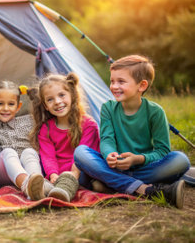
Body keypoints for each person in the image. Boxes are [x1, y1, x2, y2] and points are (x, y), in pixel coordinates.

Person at [74, 55, 190, 208]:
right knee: (80, 152)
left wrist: (138, 159)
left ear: (141, 86)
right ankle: (144, 189)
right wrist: (109, 154)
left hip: (144, 168)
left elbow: (162, 151)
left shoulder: (155, 112)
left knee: (181, 160)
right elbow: (107, 139)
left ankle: (112, 184)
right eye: (112, 81)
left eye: (121, 81)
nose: (114, 86)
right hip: (114, 167)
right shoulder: (108, 108)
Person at [29, 72, 100, 202]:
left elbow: (86, 156)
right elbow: (48, 156)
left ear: (72, 95)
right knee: (35, 161)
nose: (57, 102)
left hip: (80, 171)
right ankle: (50, 189)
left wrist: (72, 175)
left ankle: (62, 191)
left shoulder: (88, 125)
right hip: (56, 173)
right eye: (50, 99)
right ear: (45, 106)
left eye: (62, 95)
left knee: (84, 169)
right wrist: (53, 174)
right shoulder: (47, 128)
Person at [0, 81, 45, 200]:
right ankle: (27, 185)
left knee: (29, 151)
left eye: (11, 104)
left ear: (18, 106)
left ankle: (38, 184)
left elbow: (45, 115)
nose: (6, 108)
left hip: (26, 166)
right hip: (1, 170)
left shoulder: (29, 121)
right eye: (0, 103)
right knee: (8, 152)